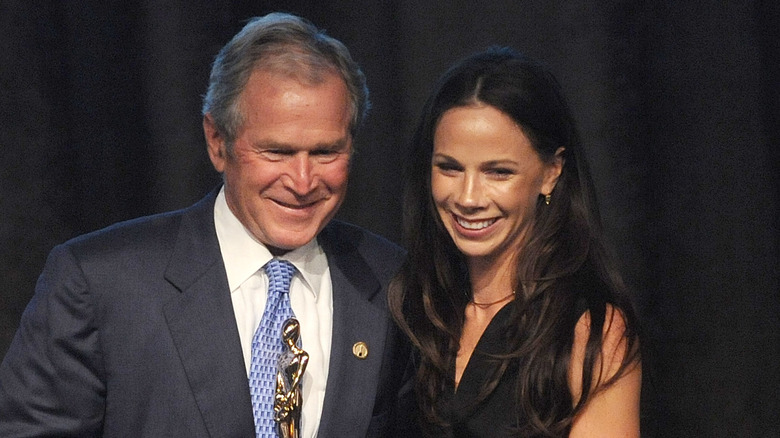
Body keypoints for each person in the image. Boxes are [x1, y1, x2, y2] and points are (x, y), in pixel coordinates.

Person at [0, 12, 416, 438]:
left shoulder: (391, 283)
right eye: (276, 152)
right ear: (217, 142)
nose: (303, 182)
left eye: (326, 152)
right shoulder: (100, 282)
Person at [389, 47, 641, 437]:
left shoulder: (588, 331)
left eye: (498, 172)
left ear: (551, 173)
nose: (469, 197)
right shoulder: (412, 308)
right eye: (450, 168)